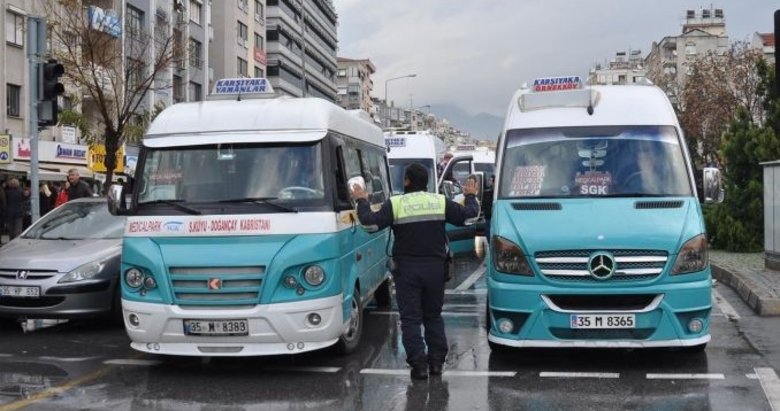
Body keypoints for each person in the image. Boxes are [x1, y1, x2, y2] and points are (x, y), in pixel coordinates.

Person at [351, 162, 479, 380]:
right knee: (432, 316)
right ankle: (437, 363)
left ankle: (419, 366)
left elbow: (371, 224)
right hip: (435, 270)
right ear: (427, 182)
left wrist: (362, 200)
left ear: (406, 181)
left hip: (407, 270)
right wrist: (469, 195)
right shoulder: (439, 201)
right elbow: (469, 217)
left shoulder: (396, 203)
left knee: (410, 319)